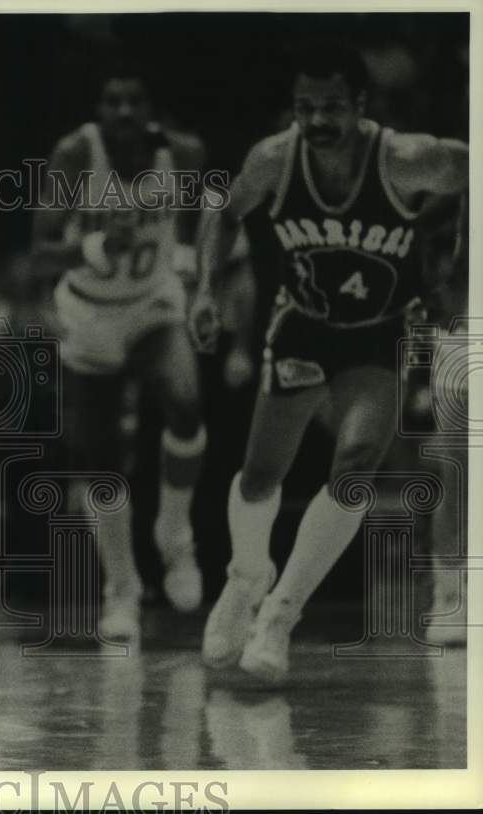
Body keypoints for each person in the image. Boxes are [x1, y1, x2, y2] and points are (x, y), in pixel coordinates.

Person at [191, 42, 468, 683]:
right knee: (261, 477)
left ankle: (280, 618)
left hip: (375, 334)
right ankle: (245, 578)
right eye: (305, 108)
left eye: (332, 108)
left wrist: (461, 266)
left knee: (356, 465)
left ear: (361, 107)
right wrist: (205, 289)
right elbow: (224, 214)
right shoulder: (272, 159)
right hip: (303, 329)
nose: (317, 121)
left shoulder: (406, 157)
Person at [32, 63, 209, 639]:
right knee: (98, 456)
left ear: (150, 107)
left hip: (153, 305)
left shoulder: (182, 151)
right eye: (113, 101)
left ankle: (175, 538)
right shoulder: (74, 154)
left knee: (185, 403)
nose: (125, 112)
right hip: (89, 311)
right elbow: (40, 250)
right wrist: (95, 244)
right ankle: (123, 589)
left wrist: (190, 265)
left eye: (135, 100)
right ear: (100, 109)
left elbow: (197, 225)